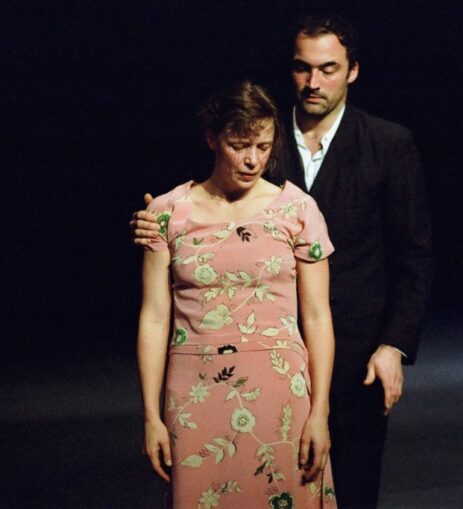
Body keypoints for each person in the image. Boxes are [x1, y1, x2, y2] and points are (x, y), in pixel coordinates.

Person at [133, 15, 433, 508]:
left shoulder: (387, 144)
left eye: (328, 68)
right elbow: (206, 212)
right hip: (238, 360)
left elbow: (414, 254)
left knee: (349, 484)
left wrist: (393, 344)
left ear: (352, 70)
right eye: (302, 68)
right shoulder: (259, 125)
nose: (313, 81)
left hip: (352, 350)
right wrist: (151, 222)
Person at [136, 80, 337, 508]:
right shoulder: (167, 212)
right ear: (212, 138)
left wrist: (320, 410)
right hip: (195, 393)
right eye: (239, 145)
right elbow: (154, 316)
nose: (252, 160)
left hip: (279, 391)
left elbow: (317, 316)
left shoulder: (297, 210)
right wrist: (151, 415)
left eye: (263, 147)